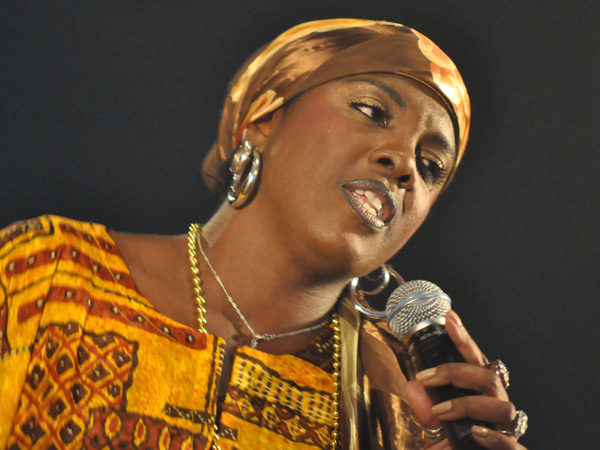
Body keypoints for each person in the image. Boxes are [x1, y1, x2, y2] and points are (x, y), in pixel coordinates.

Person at [0, 19, 527, 450]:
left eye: (432, 165)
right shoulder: (47, 273)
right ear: (262, 120)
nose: (404, 163)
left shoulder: (394, 405)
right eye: (371, 111)